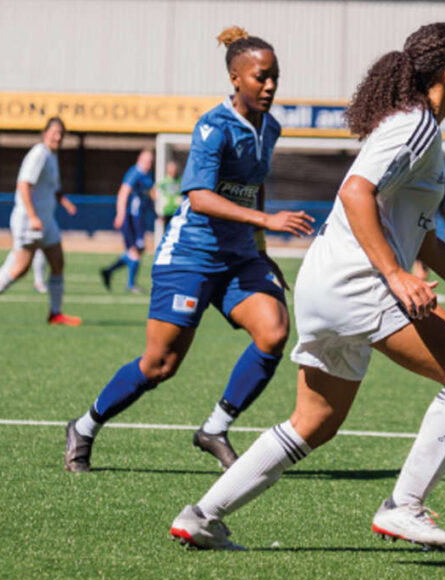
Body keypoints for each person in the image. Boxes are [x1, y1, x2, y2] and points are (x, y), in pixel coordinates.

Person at [168, 23, 445, 551]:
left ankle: (202, 515)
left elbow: (425, 241)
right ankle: (404, 507)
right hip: (357, 283)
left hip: (326, 285)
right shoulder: (415, 126)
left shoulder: (417, 130)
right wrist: (394, 275)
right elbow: (354, 192)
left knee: (314, 422)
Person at [65, 26, 315, 474]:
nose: (271, 85)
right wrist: (267, 222)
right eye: (261, 76)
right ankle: (84, 426)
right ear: (236, 79)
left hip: (239, 257)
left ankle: (215, 429)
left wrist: (260, 249)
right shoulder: (213, 127)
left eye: (275, 75)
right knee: (160, 365)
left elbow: (253, 189)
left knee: (274, 332)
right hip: (190, 256)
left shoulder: (270, 127)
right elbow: (199, 196)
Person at [0, 117, 81, 326]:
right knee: (20, 268)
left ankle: (55, 313)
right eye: (54, 132)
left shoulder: (52, 155)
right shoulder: (39, 154)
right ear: (45, 132)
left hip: (47, 220)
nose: (57, 137)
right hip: (30, 221)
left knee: (58, 262)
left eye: (60, 134)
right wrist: (32, 216)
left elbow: (52, 188)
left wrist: (65, 202)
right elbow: (23, 185)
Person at [100, 148, 156, 293]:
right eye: (146, 160)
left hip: (139, 217)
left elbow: (147, 196)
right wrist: (120, 214)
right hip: (131, 218)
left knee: (137, 250)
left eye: (151, 161)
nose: (149, 163)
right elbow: (123, 192)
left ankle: (109, 271)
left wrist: (155, 210)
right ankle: (131, 285)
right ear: (139, 159)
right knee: (135, 250)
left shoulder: (147, 175)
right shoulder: (135, 172)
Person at [156, 160, 183, 231]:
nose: (172, 171)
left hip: (177, 211)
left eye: (174, 169)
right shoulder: (163, 181)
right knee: (167, 232)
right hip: (167, 211)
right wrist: (158, 210)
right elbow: (155, 192)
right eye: (171, 169)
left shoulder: (180, 181)